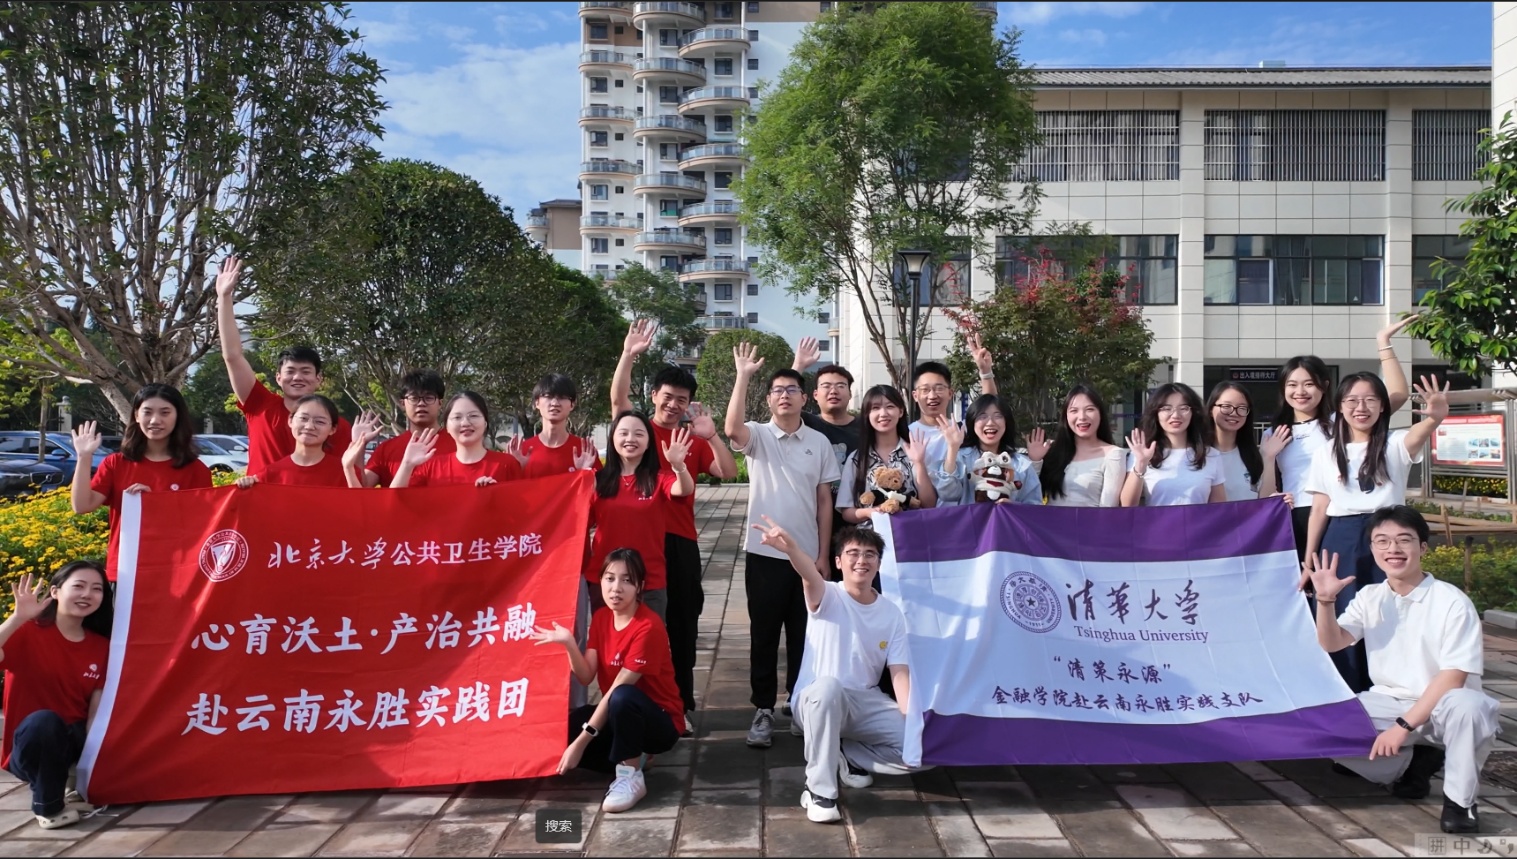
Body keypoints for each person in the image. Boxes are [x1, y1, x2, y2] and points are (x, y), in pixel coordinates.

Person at [1306, 506, 1498, 834]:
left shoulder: (1452, 602)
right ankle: (1411, 765)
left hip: (1446, 707)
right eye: (1382, 541)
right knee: (1316, 723)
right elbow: (1332, 643)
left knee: (1469, 706)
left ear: (1422, 547)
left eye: (1403, 540)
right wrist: (1325, 602)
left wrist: (1402, 726)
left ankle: (1460, 803)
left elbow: (1453, 678)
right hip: (1389, 701)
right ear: (1372, 549)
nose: (1392, 549)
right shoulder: (1370, 596)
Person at [750, 517, 924, 824]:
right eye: (853, 553)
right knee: (829, 687)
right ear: (838, 561)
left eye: (870, 554)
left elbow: (900, 672)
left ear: (879, 563)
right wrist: (791, 550)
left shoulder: (892, 613)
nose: (862, 560)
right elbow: (808, 573)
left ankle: (846, 752)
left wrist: (913, 721)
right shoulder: (827, 594)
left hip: (864, 702)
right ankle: (819, 790)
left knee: (923, 749)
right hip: (817, 699)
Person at [612, 319, 738, 729]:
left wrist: (712, 435)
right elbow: (618, 400)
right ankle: (630, 702)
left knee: (682, 626)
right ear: (653, 395)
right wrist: (628, 355)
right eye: (667, 397)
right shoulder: (637, 432)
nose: (673, 405)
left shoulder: (692, 438)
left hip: (679, 542)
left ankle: (680, 704)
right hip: (636, 543)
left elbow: (727, 472)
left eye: (681, 400)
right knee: (633, 626)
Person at [725, 342, 841, 750]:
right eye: (777, 390)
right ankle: (763, 708)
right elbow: (731, 430)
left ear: (804, 398)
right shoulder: (758, 436)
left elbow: (824, 501)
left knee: (804, 635)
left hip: (807, 558)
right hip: (764, 555)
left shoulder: (819, 442)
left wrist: (823, 555)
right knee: (763, 634)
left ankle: (797, 702)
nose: (785, 395)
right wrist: (743, 376)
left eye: (792, 389)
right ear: (769, 399)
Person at [1300, 374, 1448, 691]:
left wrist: (1435, 418)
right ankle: (1344, 691)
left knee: (1390, 610)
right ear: (1340, 407)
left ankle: (1394, 688)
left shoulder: (1396, 443)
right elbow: (1319, 509)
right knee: (1341, 610)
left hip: (1388, 535)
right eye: (1352, 400)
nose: (1361, 407)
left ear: (1382, 406)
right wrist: (1309, 559)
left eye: (1370, 400)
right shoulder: (1326, 452)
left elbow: (1422, 431)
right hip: (1341, 538)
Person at [531, 549, 684, 815]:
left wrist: (581, 743)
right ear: (600, 581)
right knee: (565, 732)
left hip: (659, 723)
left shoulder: (648, 626)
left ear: (640, 587)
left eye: (627, 580)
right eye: (610, 578)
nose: (616, 588)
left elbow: (616, 690)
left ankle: (630, 775)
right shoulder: (602, 618)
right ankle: (638, 755)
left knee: (622, 697)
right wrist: (569, 644)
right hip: (618, 716)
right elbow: (585, 676)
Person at [1258, 317, 1420, 560]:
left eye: (1309, 384)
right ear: (1283, 389)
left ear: (1324, 386)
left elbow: (1398, 394)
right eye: (1292, 385)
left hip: (1335, 515)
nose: (1300, 392)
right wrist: (1268, 456)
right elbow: (1267, 496)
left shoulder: (1342, 421)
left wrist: (1383, 343)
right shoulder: (1274, 434)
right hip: (1293, 517)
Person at [214, 256, 351, 476]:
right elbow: (232, 356)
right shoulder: (260, 405)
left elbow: (341, 475)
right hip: (261, 495)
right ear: (278, 377)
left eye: (306, 372)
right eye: (290, 371)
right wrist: (224, 297)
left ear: (319, 379)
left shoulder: (336, 425)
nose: (297, 377)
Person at [0, 563, 112, 830]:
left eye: (96, 589)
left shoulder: (102, 646)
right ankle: (48, 806)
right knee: (45, 722)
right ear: (55, 592)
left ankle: (71, 781)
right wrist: (17, 618)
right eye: (78, 586)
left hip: (72, 742)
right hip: (31, 742)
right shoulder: (27, 631)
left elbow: (95, 714)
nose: (87, 594)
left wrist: (93, 767)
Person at [69, 385, 213, 582]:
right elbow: (81, 505)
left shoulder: (196, 470)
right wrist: (84, 456)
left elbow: (204, 524)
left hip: (176, 573)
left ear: (178, 416)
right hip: (125, 572)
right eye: (147, 412)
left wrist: (154, 502)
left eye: (165, 412)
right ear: (136, 415)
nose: (155, 420)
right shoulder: (115, 463)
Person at [588, 412, 695, 620]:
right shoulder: (598, 481)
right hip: (606, 581)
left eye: (638, 434)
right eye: (623, 433)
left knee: (648, 638)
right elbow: (579, 521)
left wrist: (678, 466)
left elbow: (684, 489)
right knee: (607, 638)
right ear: (613, 439)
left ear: (648, 443)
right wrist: (580, 479)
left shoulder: (659, 478)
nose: (630, 439)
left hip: (648, 580)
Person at [792, 338, 859, 582]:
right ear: (814, 395)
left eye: (841, 386)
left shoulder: (866, 428)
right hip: (811, 522)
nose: (834, 391)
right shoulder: (806, 423)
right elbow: (783, 403)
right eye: (826, 386)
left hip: (854, 523)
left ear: (850, 393)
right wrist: (798, 366)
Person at [837, 385, 936, 524]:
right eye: (875, 408)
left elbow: (929, 505)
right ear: (867, 414)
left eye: (890, 406)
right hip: (870, 535)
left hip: (910, 532)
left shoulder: (916, 451)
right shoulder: (857, 458)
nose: (883, 413)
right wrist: (870, 512)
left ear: (900, 411)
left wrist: (919, 463)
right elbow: (847, 512)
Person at [386, 392, 525, 488]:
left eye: (473, 416)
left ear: (485, 423)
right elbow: (396, 502)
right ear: (447, 426)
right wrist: (407, 464)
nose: (465, 423)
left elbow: (522, 511)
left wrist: (496, 493)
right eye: (457, 417)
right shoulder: (431, 467)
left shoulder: (507, 464)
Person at [1121, 383, 1226, 507]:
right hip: (1158, 520)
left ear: (1193, 412)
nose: (1176, 415)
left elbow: (1219, 508)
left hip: (1198, 520)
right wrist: (1141, 464)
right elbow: (1127, 505)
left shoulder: (1211, 455)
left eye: (1183, 408)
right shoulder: (1141, 454)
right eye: (1167, 408)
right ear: (1156, 414)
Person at [1025, 384, 1126, 507]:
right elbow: (1030, 496)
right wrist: (1035, 460)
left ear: (1100, 414)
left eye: (1089, 409)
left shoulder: (1113, 454)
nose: (1082, 417)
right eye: (1074, 411)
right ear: (1066, 416)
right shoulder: (1054, 451)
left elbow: (1108, 509)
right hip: (1050, 519)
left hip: (1089, 520)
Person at [905, 333, 997, 467]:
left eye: (939, 388)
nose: (932, 395)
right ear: (915, 396)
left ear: (950, 393)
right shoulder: (906, 434)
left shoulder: (962, 430)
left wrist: (985, 371)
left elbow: (990, 406)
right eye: (925, 389)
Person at [932, 394, 1041, 506]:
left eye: (998, 416)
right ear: (972, 422)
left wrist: (1013, 507)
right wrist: (952, 448)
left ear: (1006, 422)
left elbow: (1035, 506)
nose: (990, 423)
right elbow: (948, 494)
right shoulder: (961, 458)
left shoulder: (1022, 465)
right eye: (982, 416)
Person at [236, 395, 362, 489]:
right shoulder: (270, 474)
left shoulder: (345, 472)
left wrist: (348, 469)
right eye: (303, 418)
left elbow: (360, 508)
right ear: (290, 421)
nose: (309, 426)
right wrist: (244, 485)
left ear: (332, 429)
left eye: (320, 421)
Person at [357, 370, 455, 488]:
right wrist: (359, 445)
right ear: (403, 403)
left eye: (428, 398)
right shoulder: (386, 449)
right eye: (414, 398)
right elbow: (362, 488)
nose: (421, 403)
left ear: (440, 403)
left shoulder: (458, 445)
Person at [517, 374, 601, 478]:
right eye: (548, 396)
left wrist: (584, 472)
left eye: (562, 397)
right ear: (537, 403)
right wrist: (517, 469)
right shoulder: (522, 452)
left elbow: (599, 487)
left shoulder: (585, 453)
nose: (555, 403)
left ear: (572, 404)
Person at [1204, 382, 1265, 502]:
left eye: (1242, 408)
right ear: (1211, 409)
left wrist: (1269, 457)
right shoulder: (1199, 455)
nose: (1233, 413)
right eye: (1226, 406)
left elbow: (1265, 501)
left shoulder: (1253, 457)